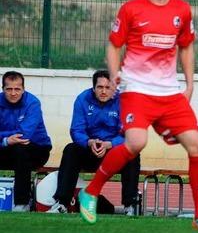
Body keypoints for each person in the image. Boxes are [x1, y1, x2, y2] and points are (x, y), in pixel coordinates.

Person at [78, 0, 198, 230]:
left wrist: (190, 83)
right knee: (136, 143)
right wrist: (116, 75)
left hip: (168, 92)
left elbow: (187, 46)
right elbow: (114, 44)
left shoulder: (182, 10)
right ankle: (90, 192)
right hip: (136, 90)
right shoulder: (131, 8)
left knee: (197, 145)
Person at [47, 70, 141, 215]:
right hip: (90, 149)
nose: (103, 91)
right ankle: (62, 203)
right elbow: (76, 130)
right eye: (100, 87)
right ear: (93, 88)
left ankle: (131, 205)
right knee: (71, 150)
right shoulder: (82, 99)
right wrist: (89, 142)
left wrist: (110, 144)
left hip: (113, 150)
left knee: (133, 153)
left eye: (108, 87)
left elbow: (128, 133)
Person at [0, 71, 52, 212]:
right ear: (3, 89)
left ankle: (21, 203)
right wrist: (6, 140)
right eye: (9, 89)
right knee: (17, 149)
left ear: (23, 89)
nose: (13, 93)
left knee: (20, 149)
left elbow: (24, 135)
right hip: (6, 148)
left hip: (37, 150)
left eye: (17, 89)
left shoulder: (32, 103)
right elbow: (13, 137)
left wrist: (6, 139)